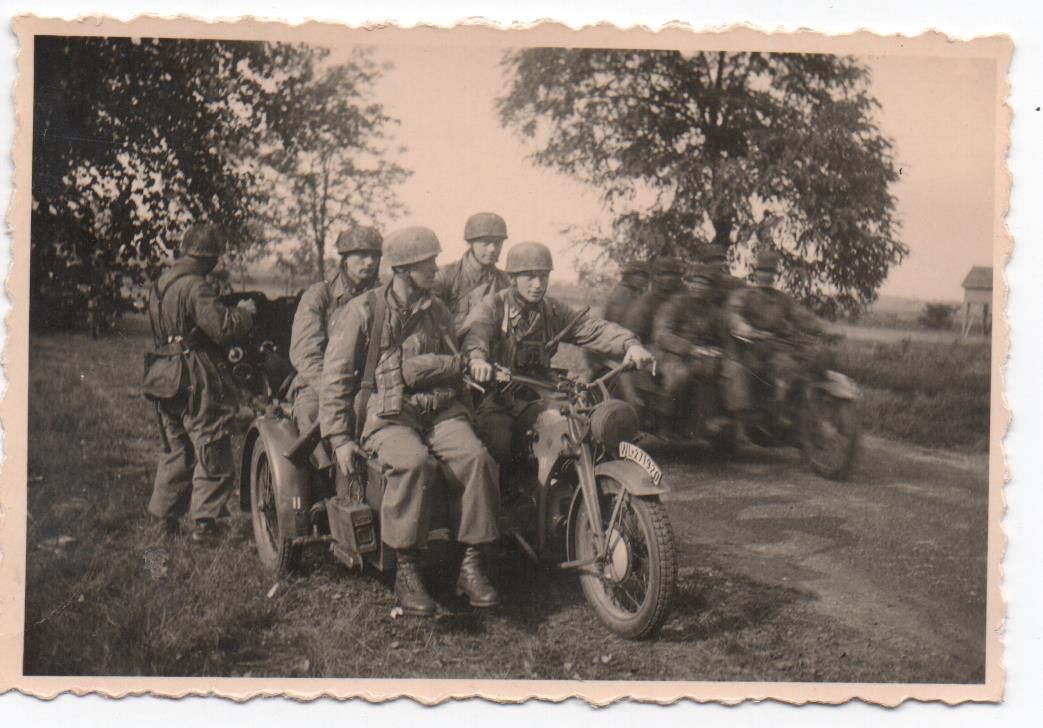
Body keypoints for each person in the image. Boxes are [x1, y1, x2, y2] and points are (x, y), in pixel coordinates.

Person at [319, 226, 501, 617]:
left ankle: (470, 566)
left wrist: (467, 416)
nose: (436, 269)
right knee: (412, 463)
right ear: (404, 270)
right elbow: (334, 377)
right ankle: (406, 569)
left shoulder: (437, 311)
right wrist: (339, 438)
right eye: (428, 264)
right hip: (389, 415)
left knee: (477, 459)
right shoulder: (364, 311)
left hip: (441, 410)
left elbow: (456, 367)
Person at [463, 242, 656, 465]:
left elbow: (591, 328)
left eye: (543, 277)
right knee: (499, 442)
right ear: (513, 277)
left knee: (580, 428)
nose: (537, 285)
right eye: (529, 277)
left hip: (542, 391)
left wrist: (629, 344)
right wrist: (477, 359)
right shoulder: (493, 307)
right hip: (497, 396)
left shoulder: (552, 310)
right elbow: (476, 334)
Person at [147, 224, 256, 544]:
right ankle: (206, 526)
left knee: (176, 450)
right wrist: (244, 313)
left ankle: (162, 520)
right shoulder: (195, 286)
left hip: (163, 373)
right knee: (213, 446)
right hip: (194, 374)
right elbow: (223, 328)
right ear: (209, 258)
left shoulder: (160, 285)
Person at [722, 249, 823, 443]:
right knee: (743, 373)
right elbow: (733, 314)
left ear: (775, 275)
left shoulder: (782, 299)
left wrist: (822, 327)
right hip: (748, 348)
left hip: (775, 347)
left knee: (793, 367)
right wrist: (744, 328)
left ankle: (789, 417)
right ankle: (746, 423)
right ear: (755, 272)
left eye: (770, 272)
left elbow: (800, 315)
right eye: (762, 271)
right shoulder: (744, 295)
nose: (766, 276)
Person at [288, 226, 382, 430]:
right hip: (320, 383)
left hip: (370, 383)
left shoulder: (384, 298)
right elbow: (306, 354)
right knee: (311, 414)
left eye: (375, 256)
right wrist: (336, 392)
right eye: (362, 255)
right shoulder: (319, 296)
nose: (370, 262)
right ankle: (322, 464)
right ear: (345, 258)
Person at [652, 264, 723, 437]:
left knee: (729, 375)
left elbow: (722, 337)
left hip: (704, 357)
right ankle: (664, 422)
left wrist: (717, 350)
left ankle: (717, 425)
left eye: (704, 284)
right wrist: (689, 348)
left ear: (710, 288)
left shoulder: (713, 311)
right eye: (695, 282)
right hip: (671, 354)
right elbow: (661, 334)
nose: (699, 287)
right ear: (688, 284)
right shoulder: (674, 305)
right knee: (679, 376)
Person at [432, 212, 511, 334]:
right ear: (470, 243)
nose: (492, 249)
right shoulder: (445, 277)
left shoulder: (506, 281)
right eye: (485, 243)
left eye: (498, 243)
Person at [603, 261, 650, 325]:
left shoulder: (638, 292)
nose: (641, 279)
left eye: (644, 277)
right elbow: (614, 316)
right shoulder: (623, 291)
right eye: (638, 275)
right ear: (628, 275)